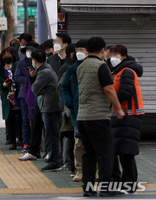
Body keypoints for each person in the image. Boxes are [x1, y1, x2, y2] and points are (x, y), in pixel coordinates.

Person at [76, 37, 125, 197]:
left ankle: (88, 189)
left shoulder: (81, 66)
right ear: (103, 50)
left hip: (83, 117)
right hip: (98, 116)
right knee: (105, 153)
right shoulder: (101, 66)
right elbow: (109, 89)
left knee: (88, 153)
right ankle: (106, 187)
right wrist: (119, 109)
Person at [109, 44, 144, 194]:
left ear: (123, 56)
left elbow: (125, 92)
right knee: (122, 151)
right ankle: (125, 183)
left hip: (129, 115)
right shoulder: (118, 71)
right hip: (121, 116)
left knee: (126, 152)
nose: (111, 58)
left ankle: (129, 184)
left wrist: (110, 99)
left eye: (114, 55)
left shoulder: (127, 71)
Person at [31, 49, 63, 171]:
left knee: (52, 135)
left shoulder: (44, 72)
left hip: (50, 107)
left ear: (34, 60)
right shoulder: (46, 69)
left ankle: (55, 161)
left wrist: (40, 90)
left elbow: (34, 88)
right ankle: (55, 159)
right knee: (51, 135)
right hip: (50, 106)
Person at [61, 39, 88, 182]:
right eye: (77, 50)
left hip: (92, 113)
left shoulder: (98, 67)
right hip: (76, 112)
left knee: (92, 143)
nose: (79, 53)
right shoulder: (71, 70)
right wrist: (68, 101)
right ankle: (79, 171)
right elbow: (63, 87)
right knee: (78, 144)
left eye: (82, 50)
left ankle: (95, 170)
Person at [14, 41, 39, 152]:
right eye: (27, 50)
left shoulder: (40, 63)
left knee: (37, 120)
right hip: (24, 93)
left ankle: (37, 143)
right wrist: (29, 79)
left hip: (38, 93)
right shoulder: (21, 63)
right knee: (25, 119)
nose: (29, 53)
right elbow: (17, 77)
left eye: (31, 50)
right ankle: (26, 142)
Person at [0, 47, 22, 150]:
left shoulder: (18, 65)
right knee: (10, 120)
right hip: (7, 97)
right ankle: (12, 141)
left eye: (9, 55)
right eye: (4, 55)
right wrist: (3, 85)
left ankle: (21, 138)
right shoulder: (0, 69)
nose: (7, 57)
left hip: (18, 96)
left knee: (21, 118)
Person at [57, 43, 76, 176]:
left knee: (71, 138)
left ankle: (71, 165)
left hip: (70, 109)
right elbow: (61, 88)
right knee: (70, 138)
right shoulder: (68, 69)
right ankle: (70, 165)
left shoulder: (69, 67)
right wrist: (68, 102)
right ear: (73, 54)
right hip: (70, 110)